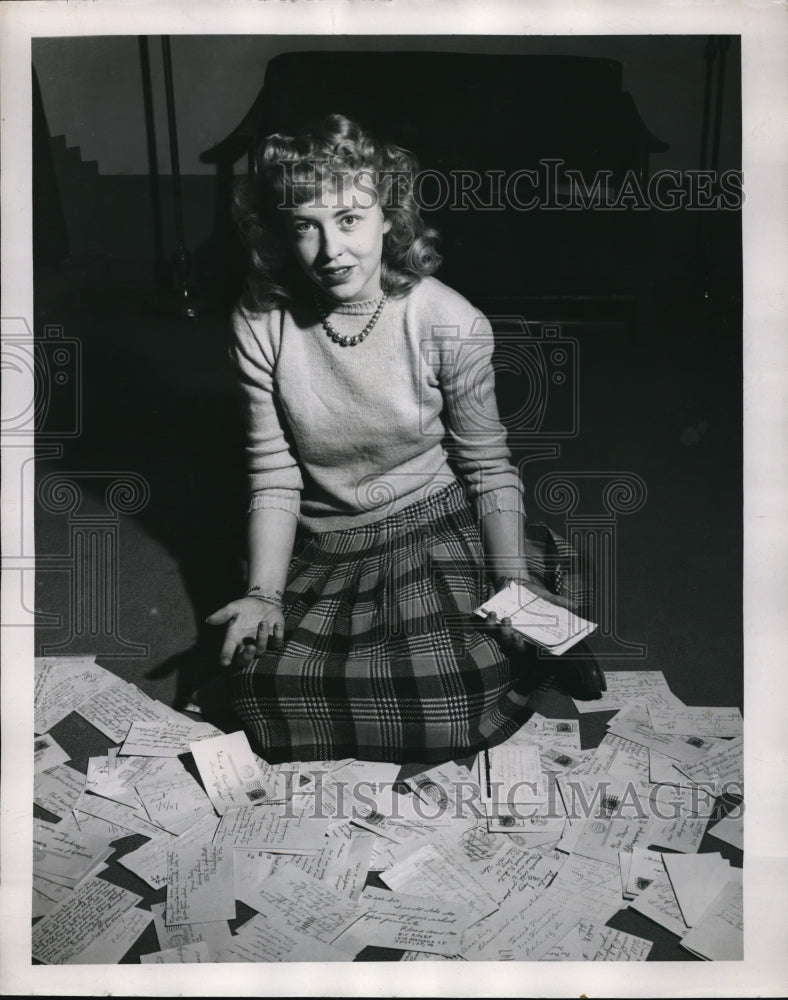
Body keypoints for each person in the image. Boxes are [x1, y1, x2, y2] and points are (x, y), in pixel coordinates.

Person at [207, 113, 590, 764]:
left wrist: (512, 580)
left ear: (389, 215)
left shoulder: (449, 319)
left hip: (433, 520)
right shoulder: (257, 322)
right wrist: (264, 594)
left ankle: (542, 616)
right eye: (306, 226)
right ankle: (541, 647)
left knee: (455, 682)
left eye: (351, 219)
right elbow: (273, 474)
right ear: (280, 231)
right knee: (254, 687)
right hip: (329, 541)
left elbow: (489, 466)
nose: (331, 252)